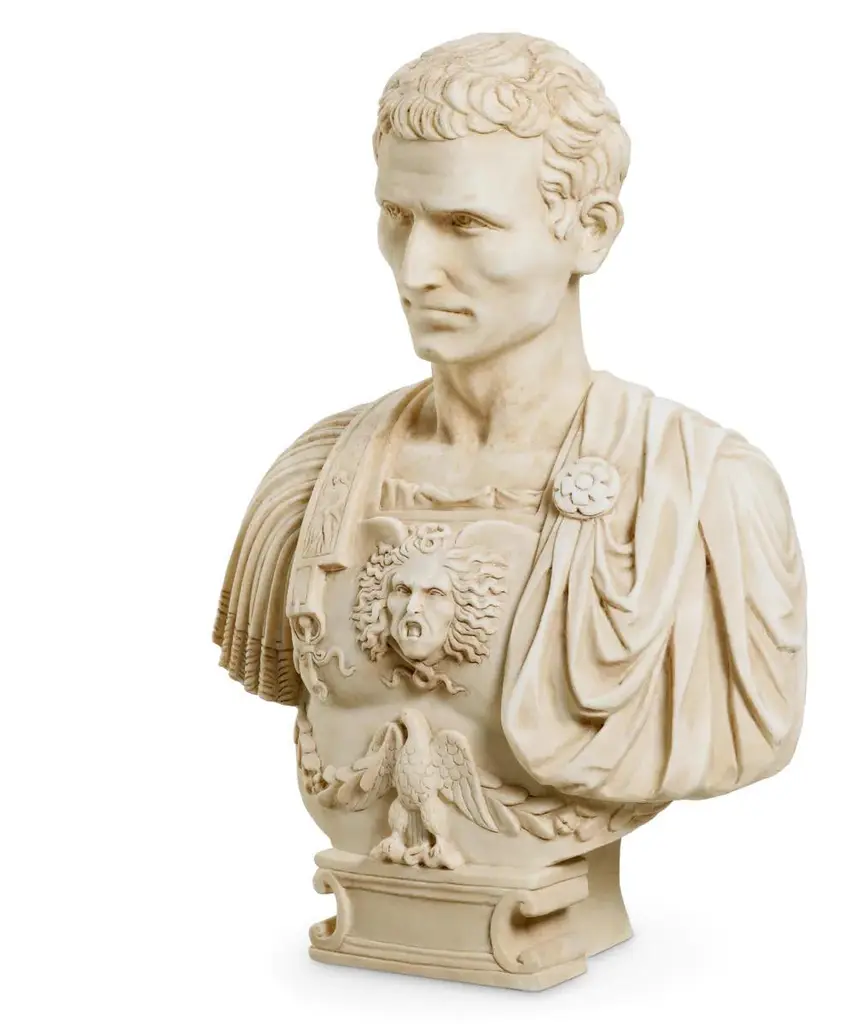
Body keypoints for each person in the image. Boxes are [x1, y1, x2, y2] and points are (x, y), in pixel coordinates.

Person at [213, 34, 806, 869]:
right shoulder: (313, 480)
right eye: (398, 217)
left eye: (466, 224)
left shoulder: (705, 495)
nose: (416, 269)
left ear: (589, 232)